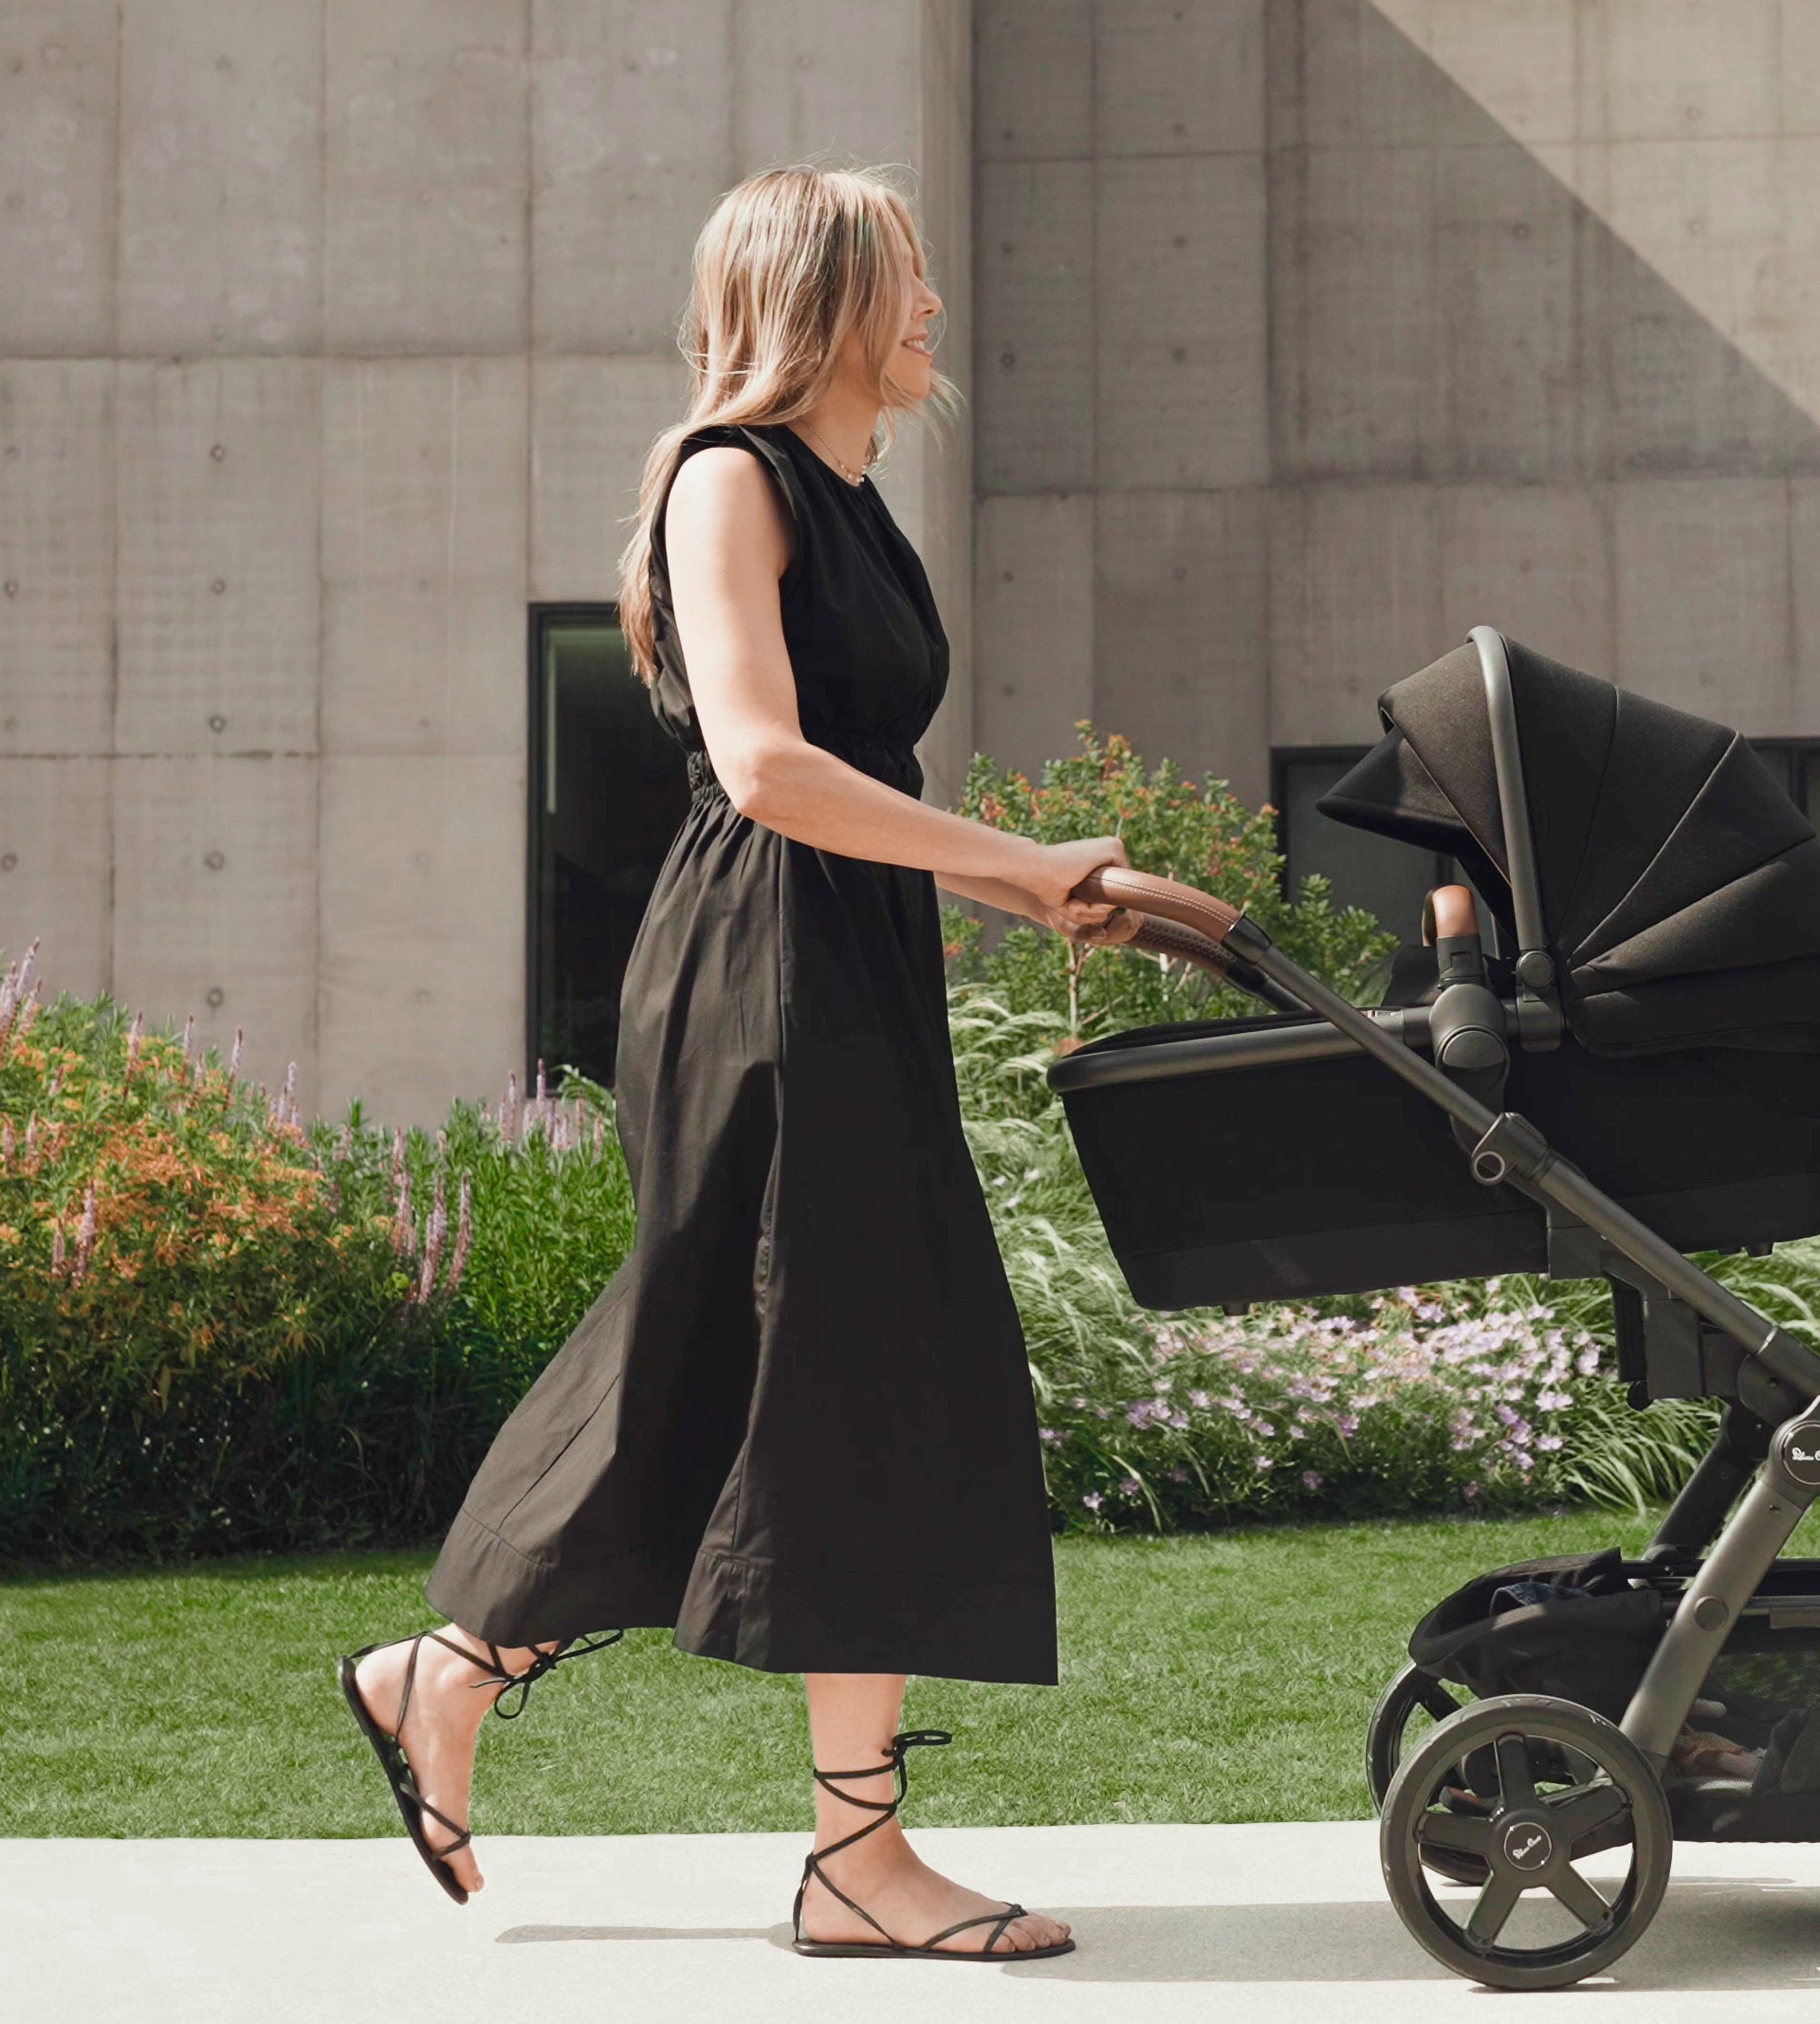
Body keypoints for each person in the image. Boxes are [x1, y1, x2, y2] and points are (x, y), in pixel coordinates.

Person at [335, 164, 1135, 1961]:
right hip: (762, 954)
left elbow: (852, 777)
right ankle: (812, 1834)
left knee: (838, 1354)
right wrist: (1016, 866)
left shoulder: (853, 495)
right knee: (795, 1333)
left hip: (846, 950)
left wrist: (1032, 886)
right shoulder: (730, 480)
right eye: (910, 281)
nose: (934, 312)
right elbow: (767, 764)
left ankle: (480, 1685)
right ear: (831, 297)